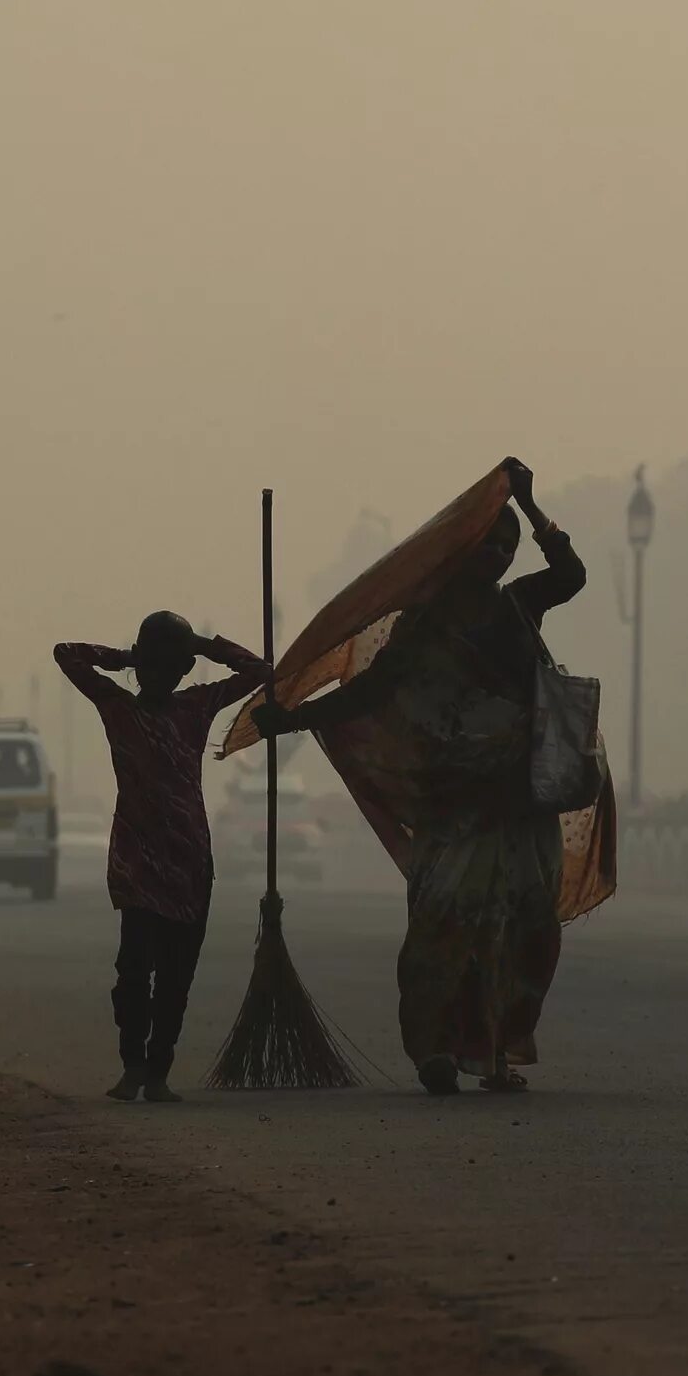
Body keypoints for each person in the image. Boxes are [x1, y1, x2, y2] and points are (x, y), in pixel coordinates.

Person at [255, 458, 584, 1096]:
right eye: (487, 542)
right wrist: (289, 718)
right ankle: (434, 1049)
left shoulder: (518, 606)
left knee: (525, 924)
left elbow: (571, 576)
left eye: (506, 546)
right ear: (460, 550)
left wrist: (534, 505)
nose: (495, 554)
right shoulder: (425, 624)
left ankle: (493, 1055)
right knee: (444, 924)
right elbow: (367, 693)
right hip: (454, 798)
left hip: (519, 795)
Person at [52, 612, 269, 1103]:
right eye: (150, 665)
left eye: (167, 666)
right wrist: (127, 657)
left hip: (189, 859)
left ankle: (157, 1071)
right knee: (133, 970)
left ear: (181, 671)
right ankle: (133, 1064)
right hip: (137, 859)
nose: (156, 675)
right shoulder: (116, 705)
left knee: (176, 976)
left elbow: (260, 674)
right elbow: (66, 653)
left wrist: (202, 644)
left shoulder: (196, 706)